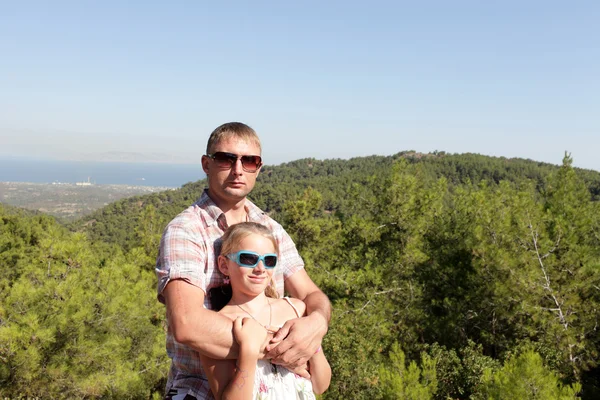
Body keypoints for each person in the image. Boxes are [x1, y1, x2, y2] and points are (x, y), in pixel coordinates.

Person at [155, 122, 331, 399]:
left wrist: (318, 323)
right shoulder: (186, 230)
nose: (238, 170)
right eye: (226, 159)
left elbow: (310, 293)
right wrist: (283, 347)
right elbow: (187, 323)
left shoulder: (270, 229)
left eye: (249, 161)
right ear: (206, 164)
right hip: (199, 388)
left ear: (258, 169)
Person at [200, 222, 331, 399]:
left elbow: (320, 384)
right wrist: (249, 351)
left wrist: (311, 346)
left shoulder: (296, 310)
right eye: (248, 258)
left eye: (269, 260)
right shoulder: (218, 325)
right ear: (224, 265)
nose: (260, 268)